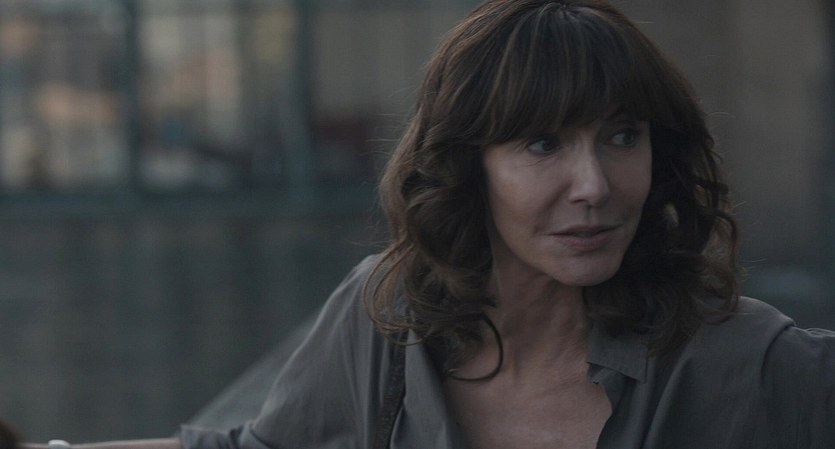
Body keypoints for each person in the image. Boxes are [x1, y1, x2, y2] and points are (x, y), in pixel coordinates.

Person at [22, 0, 835, 448]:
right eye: (542, 144)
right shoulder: (391, 319)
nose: (592, 185)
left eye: (623, 136)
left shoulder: (751, 362)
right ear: (468, 164)